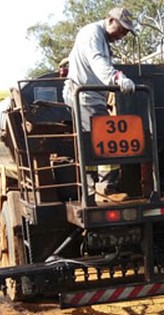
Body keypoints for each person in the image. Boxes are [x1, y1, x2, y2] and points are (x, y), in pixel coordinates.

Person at [63, 7, 137, 201]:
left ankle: (102, 187)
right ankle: (97, 191)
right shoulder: (92, 34)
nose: (122, 35)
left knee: (98, 140)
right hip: (84, 95)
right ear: (111, 20)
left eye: (126, 32)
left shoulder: (103, 38)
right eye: (121, 29)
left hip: (93, 96)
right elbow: (98, 62)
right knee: (101, 140)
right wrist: (117, 77)